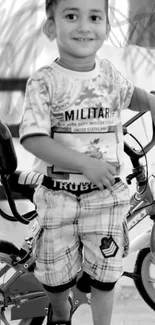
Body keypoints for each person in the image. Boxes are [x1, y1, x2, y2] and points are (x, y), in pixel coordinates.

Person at [19, 0, 155, 324]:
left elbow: (129, 94)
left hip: (104, 197)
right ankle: (62, 315)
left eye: (95, 17)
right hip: (59, 195)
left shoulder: (108, 73)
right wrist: (84, 164)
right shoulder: (44, 81)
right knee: (53, 274)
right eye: (71, 16)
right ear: (51, 26)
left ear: (106, 28)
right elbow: (33, 138)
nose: (84, 25)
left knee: (105, 273)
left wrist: (150, 100)